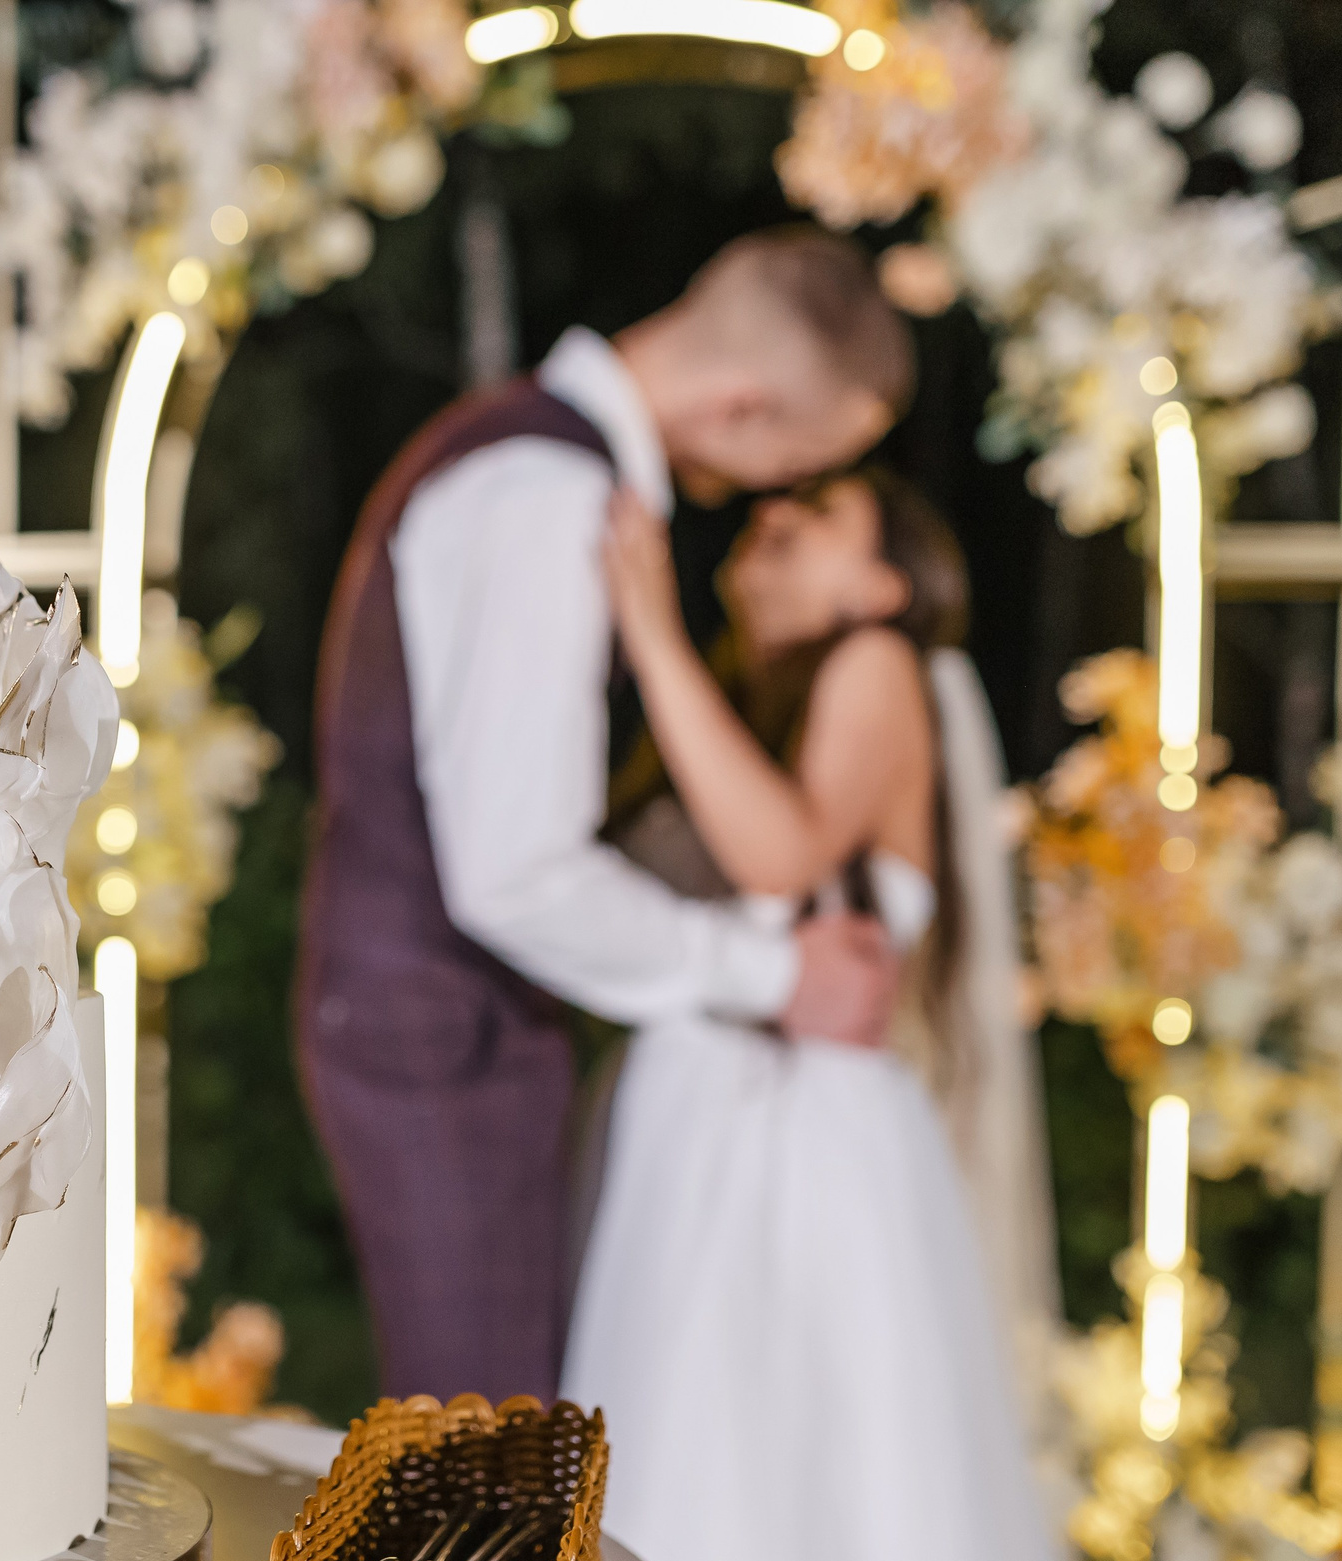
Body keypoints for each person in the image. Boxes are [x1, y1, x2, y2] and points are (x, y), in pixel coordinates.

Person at [295, 229, 913, 1406]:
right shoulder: (547, 496)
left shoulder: (526, 453)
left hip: (449, 1018)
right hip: (438, 1028)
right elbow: (517, 873)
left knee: (492, 1458)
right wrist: (773, 975)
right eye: (799, 460)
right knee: (477, 1479)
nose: (778, 496)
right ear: (743, 408)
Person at [564, 473, 1093, 1561]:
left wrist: (645, 629)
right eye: (762, 513)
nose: (772, 519)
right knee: (693, 1459)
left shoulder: (878, 663)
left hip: (799, 1147)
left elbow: (785, 853)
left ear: (885, 584)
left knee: (811, 1475)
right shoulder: (749, 698)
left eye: (816, 518)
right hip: (689, 1132)